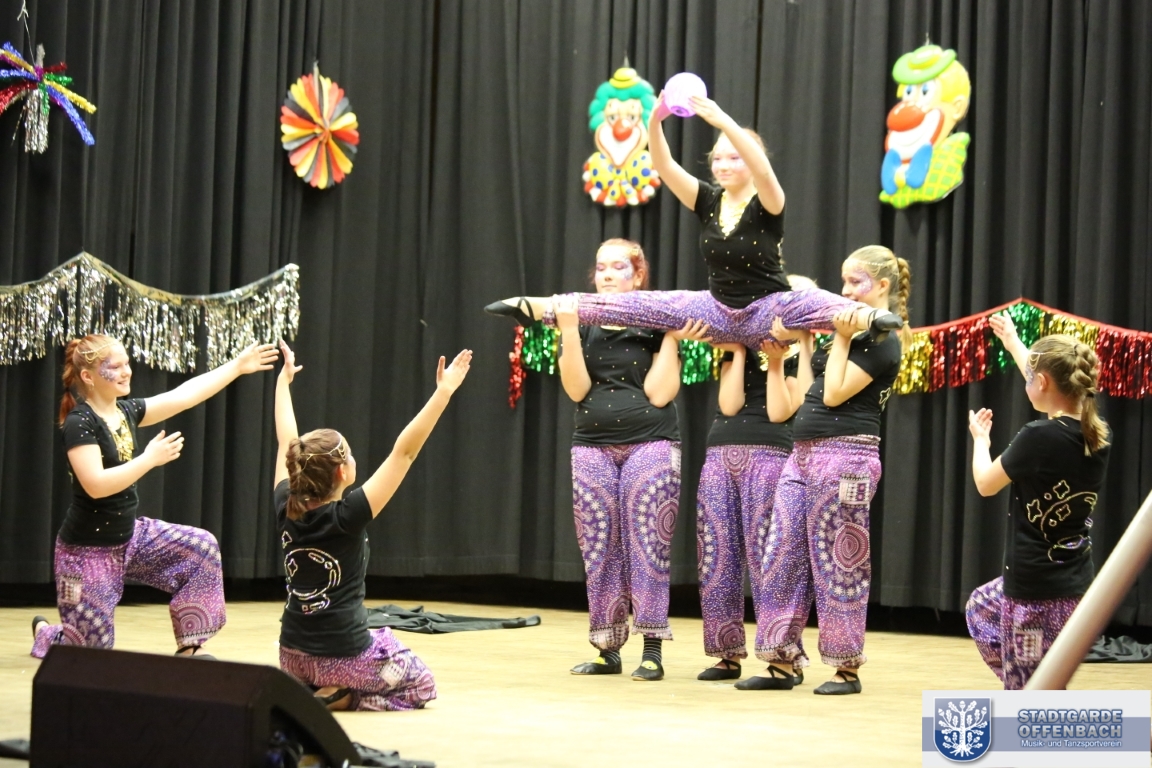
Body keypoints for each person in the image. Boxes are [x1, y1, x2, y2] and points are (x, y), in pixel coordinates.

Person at [484, 93, 903, 346]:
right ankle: (539, 307)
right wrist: (655, 119)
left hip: (769, 309)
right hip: (716, 310)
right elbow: (664, 167)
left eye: (733, 157)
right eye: (717, 158)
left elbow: (763, 170)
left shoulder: (769, 202)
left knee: (811, 299)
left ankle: (874, 318)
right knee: (642, 304)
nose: (723, 164)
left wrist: (722, 121)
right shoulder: (708, 200)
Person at [32, 334, 279, 659]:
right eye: (115, 367)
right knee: (88, 652)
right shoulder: (79, 423)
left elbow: (184, 396)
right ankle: (49, 634)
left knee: (201, 549)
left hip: (130, 539)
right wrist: (148, 459)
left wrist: (237, 366)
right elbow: (96, 485)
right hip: (86, 553)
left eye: (126, 364)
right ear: (88, 377)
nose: (126, 371)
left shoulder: (126, 411)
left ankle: (190, 647)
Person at [746, 245, 911, 694]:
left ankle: (846, 668)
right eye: (844, 281)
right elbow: (809, 391)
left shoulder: (883, 341)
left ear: (882, 285)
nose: (845, 290)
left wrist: (838, 336)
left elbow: (835, 393)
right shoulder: (844, 333)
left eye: (856, 281)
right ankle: (781, 661)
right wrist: (803, 341)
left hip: (847, 458)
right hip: (803, 454)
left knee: (840, 559)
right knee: (781, 552)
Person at [272, 341, 471, 710]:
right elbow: (405, 452)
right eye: (349, 454)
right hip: (342, 656)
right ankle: (342, 694)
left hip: (291, 656)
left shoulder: (285, 504)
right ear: (341, 472)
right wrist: (443, 392)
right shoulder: (348, 515)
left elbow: (286, 439)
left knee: (374, 640)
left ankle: (316, 687)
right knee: (420, 683)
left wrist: (283, 383)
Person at [559, 238, 707, 682]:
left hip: (651, 442)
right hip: (591, 444)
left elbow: (660, 394)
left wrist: (671, 337)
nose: (606, 274)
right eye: (601, 266)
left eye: (618, 267)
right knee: (598, 548)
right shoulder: (583, 323)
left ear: (638, 275)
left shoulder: (656, 321)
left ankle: (652, 651)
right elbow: (576, 390)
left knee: (648, 545)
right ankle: (607, 650)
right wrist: (569, 331)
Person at [965, 317, 1111, 690]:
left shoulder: (1038, 437)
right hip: (1074, 584)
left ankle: (1031, 698)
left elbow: (985, 484)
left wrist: (981, 441)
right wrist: (1015, 344)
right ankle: (1034, 689)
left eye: (1030, 377)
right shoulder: (1095, 433)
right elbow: (1046, 388)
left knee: (1031, 696)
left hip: (1034, 591)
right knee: (981, 607)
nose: (1026, 382)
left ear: (1042, 382)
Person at [696, 276, 815, 683]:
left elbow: (782, 411)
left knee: (770, 563)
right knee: (717, 558)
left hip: (770, 457)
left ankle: (783, 656)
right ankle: (726, 653)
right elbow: (729, 405)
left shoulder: (804, 355)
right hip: (720, 455)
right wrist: (738, 351)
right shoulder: (742, 348)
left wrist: (777, 361)